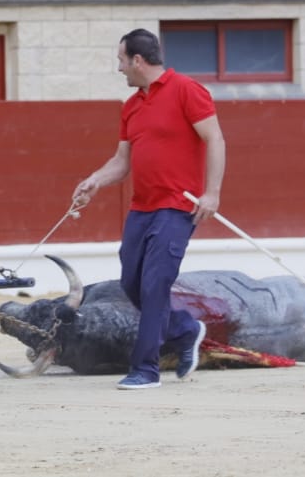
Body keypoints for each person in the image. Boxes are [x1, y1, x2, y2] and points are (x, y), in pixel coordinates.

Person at [73, 28, 226, 390]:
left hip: (178, 206)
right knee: (132, 282)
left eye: (121, 61)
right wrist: (95, 180)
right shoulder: (132, 106)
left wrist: (213, 193)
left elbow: (215, 138)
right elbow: (122, 161)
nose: (119, 69)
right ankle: (185, 330)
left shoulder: (187, 90)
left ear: (137, 61)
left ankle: (145, 369)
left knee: (156, 283)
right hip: (141, 208)